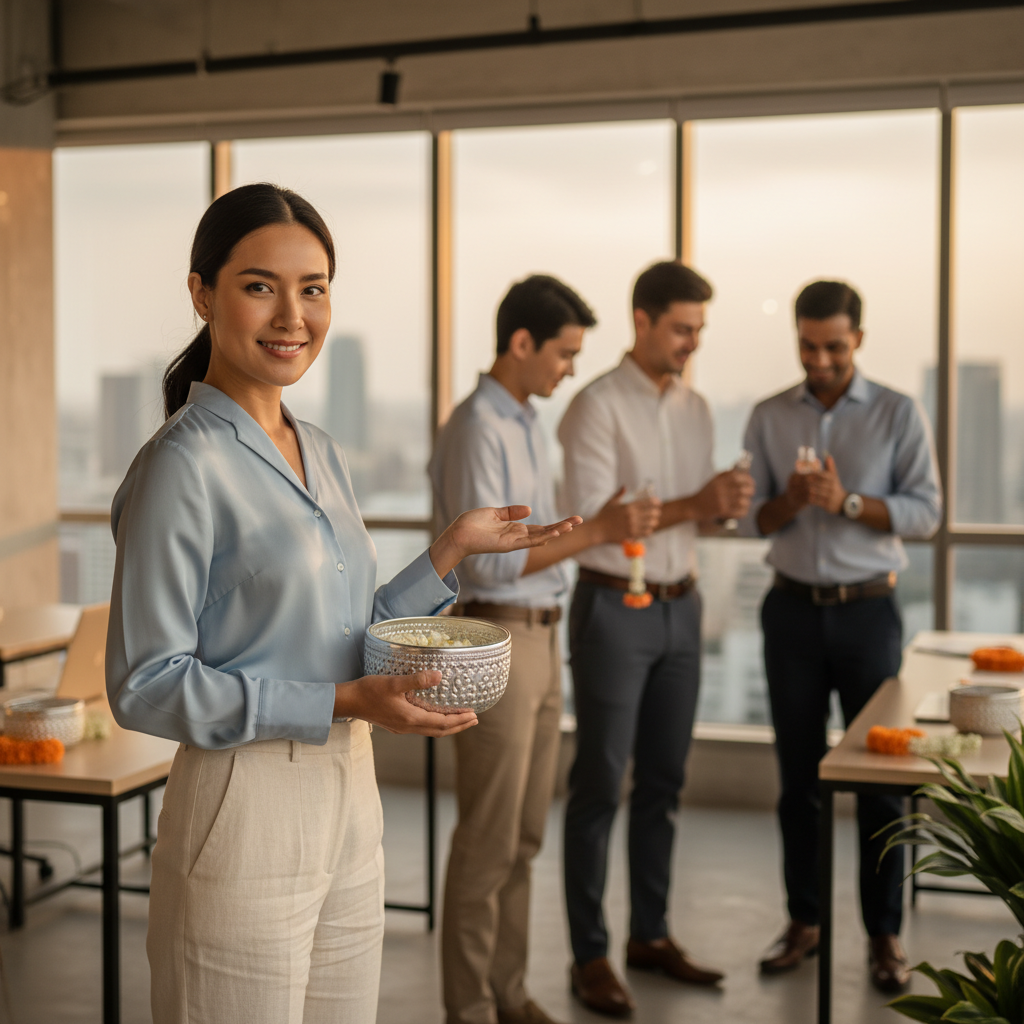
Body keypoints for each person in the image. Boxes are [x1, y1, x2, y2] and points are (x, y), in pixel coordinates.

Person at [105, 183, 581, 1024]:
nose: (293, 315)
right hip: (242, 804)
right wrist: (336, 701)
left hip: (351, 794)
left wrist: (450, 552)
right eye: (261, 286)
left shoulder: (319, 450)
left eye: (314, 288)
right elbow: (145, 684)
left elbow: (350, 630)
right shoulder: (182, 464)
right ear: (202, 293)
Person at [430, 275, 661, 1024]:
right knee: (488, 839)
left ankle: (509, 991)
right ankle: (468, 1007)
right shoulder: (476, 428)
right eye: (563, 354)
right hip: (496, 638)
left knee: (525, 836)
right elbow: (487, 561)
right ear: (521, 344)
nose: (570, 369)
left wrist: (585, 534)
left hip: (540, 636)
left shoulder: (524, 420)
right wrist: (597, 528)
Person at [557, 261, 753, 1018]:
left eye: (699, 332)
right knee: (601, 784)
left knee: (665, 783)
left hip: (681, 607)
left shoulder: (699, 407)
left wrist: (719, 507)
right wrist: (694, 503)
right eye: (680, 329)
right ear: (641, 320)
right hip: (613, 608)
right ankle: (590, 955)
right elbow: (599, 516)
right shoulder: (594, 408)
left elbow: (687, 512)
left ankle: (650, 934)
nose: (690, 344)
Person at [740, 280, 941, 993]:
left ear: (858, 338)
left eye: (834, 345)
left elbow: (926, 514)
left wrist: (846, 502)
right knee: (798, 782)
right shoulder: (767, 416)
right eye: (807, 344)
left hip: (868, 614)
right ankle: (805, 921)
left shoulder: (896, 412)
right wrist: (789, 502)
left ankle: (884, 937)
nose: (819, 358)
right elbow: (748, 520)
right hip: (790, 613)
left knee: (883, 787)